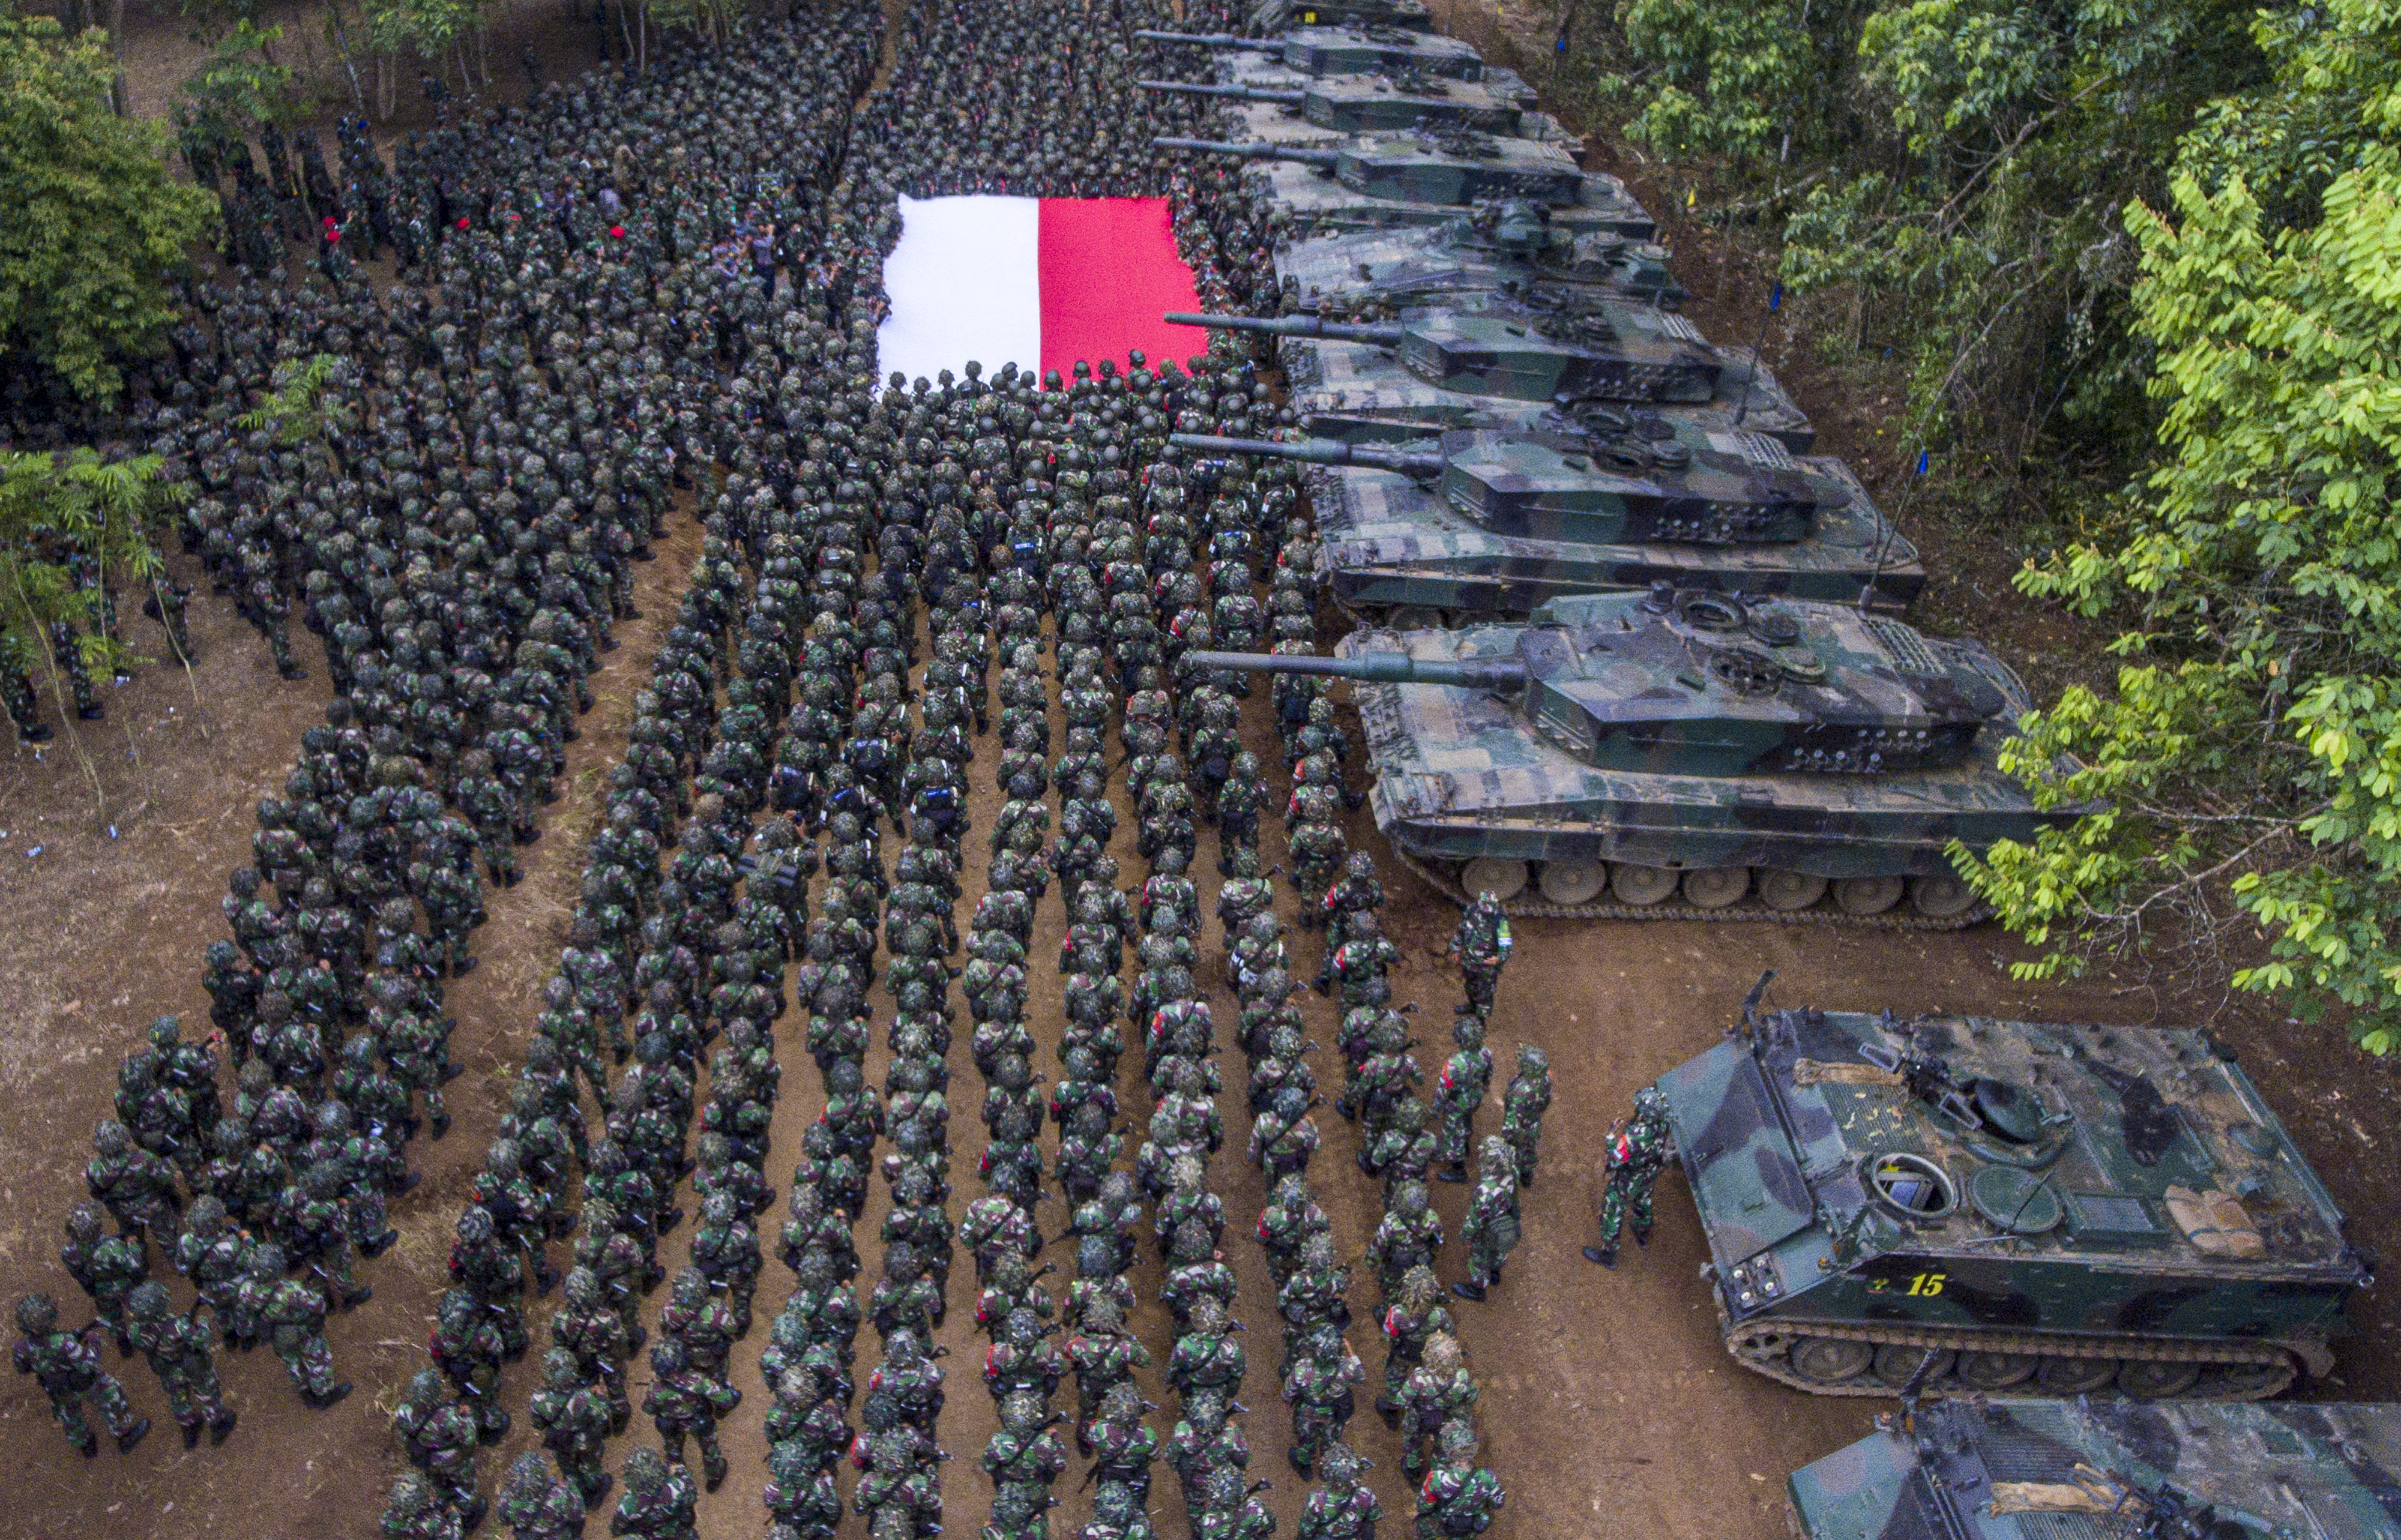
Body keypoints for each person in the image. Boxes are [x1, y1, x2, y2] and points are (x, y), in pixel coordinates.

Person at [11, 1292, 149, 1456]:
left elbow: (24, 1369)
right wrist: (93, 1340)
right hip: (85, 1382)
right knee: (111, 1395)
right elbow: (91, 1361)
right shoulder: (66, 1343)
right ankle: (125, 1436)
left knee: (70, 1415)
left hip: (57, 1387)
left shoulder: (20, 1347)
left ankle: (86, 1446)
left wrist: (50, 1367)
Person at [1586, 1087, 1673, 1268]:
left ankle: (1608, 1256)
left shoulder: (1634, 1136)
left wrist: (1611, 1136)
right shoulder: (1663, 1123)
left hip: (1628, 1179)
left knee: (1612, 1212)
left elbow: (1615, 1161)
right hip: (1650, 1173)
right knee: (1643, 1201)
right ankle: (1642, 1233)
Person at [1448, 892, 1511, 1023]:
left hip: (1486, 968)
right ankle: (1472, 1006)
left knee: (1485, 995)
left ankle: (1480, 1021)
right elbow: (1461, 930)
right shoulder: (1471, 911)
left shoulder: (1500, 921)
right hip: (1470, 962)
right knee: (1470, 987)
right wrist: (1456, 949)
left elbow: (1507, 948)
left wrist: (1498, 959)